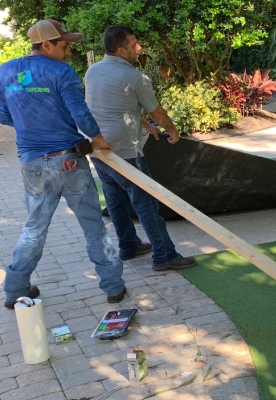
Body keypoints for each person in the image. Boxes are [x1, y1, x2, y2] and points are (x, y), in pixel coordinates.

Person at [0, 19, 127, 308]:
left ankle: (14, 290)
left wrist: (33, 120)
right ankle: (113, 287)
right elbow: (80, 114)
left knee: (34, 229)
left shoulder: (4, 71)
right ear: (46, 45)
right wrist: (99, 139)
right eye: (64, 46)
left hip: (32, 163)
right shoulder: (61, 72)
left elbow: (4, 118)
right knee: (93, 227)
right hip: (69, 160)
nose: (68, 53)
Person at [85, 25, 196, 271]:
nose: (139, 48)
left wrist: (144, 124)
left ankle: (129, 245)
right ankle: (164, 254)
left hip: (99, 148)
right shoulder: (135, 77)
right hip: (126, 152)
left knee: (115, 199)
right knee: (145, 202)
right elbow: (157, 110)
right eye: (134, 44)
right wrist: (173, 131)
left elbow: (113, 105)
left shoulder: (93, 71)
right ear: (122, 51)